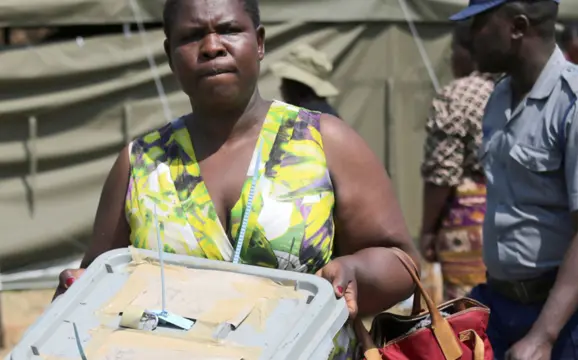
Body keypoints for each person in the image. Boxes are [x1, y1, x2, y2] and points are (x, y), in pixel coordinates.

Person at [52, 0, 420, 358]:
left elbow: (402, 261)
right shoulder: (141, 163)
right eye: (192, 36)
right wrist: (77, 287)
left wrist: (356, 271)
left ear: (259, 43)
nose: (212, 47)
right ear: (169, 54)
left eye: (228, 30)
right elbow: (95, 282)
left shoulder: (323, 142)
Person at [450, 1, 578, 359]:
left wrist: (543, 335)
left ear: (518, 27)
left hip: (574, 317)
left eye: (480, 24)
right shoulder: (500, 97)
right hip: (507, 306)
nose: (469, 37)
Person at [419, 22, 496, 301]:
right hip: (515, 215)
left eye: (453, 51)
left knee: (469, 314)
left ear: (467, 52)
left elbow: (442, 172)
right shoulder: (516, 87)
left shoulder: (459, 94)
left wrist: (427, 230)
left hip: (469, 225)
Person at [270, 43, 341, 117]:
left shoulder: (302, 118)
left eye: (285, 82)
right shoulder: (325, 112)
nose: (281, 87)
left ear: (294, 86)